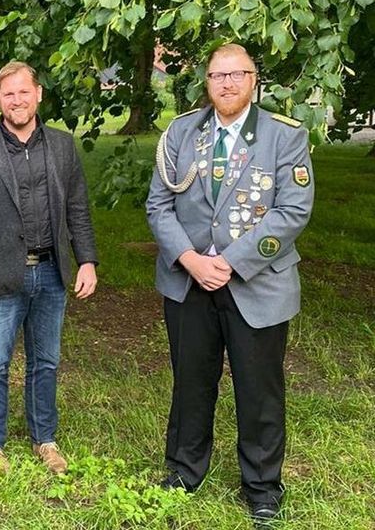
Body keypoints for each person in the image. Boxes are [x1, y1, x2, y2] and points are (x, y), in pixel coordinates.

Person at [146, 43, 314, 525]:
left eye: (237, 74)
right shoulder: (180, 133)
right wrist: (191, 259)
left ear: (253, 80)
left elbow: (292, 211)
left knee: (259, 389)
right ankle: (183, 470)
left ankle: (262, 485)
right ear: (207, 82)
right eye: (218, 76)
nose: (227, 83)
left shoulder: (285, 136)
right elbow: (159, 206)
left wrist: (233, 262)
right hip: (189, 283)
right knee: (191, 382)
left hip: (257, 285)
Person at [0, 61, 98, 474]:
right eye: (8, 94)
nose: (17, 100)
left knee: (45, 361)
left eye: (24, 92)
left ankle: (44, 440)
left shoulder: (63, 146)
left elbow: (78, 209)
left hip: (52, 271)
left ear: (38, 95)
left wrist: (87, 260)